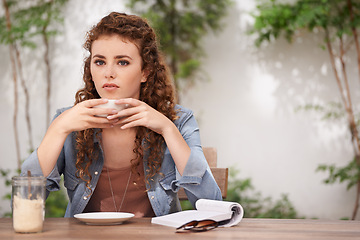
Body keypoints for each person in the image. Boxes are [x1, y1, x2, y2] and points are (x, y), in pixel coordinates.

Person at [21, 12, 222, 218]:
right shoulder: (69, 121)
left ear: (146, 71)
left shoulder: (178, 121)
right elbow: (24, 203)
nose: (109, 72)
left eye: (122, 62)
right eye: (100, 62)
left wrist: (167, 129)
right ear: (90, 69)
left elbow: (212, 203)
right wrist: (58, 129)